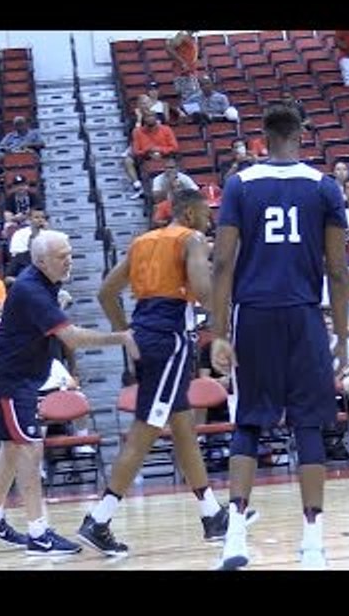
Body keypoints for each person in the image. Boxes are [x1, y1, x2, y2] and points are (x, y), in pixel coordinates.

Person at [210, 104, 349, 570]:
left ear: (262, 137)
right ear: (302, 134)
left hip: (253, 315)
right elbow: (336, 268)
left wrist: (218, 332)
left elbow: (223, 263)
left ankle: (234, 538)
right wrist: (344, 334)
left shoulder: (239, 184)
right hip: (304, 314)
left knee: (248, 422)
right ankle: (312, 543)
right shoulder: (324, 186)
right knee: (308, 424)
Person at [81, 189, 253, 557]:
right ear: (189, 213)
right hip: (170, 338)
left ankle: (212, 516)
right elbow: (206, 294)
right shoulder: (190, 239)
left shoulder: (143, 241)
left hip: (149, 333)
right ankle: (99, 519)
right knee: (145, 431)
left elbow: (106, 292)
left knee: (182, 426)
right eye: (206, 213)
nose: (210, 221)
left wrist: (126, 333)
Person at [0, 230, 139, 556]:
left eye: (70, 253)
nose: (69, 261)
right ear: (40, 261)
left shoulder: (44, 282)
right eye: (62, 256)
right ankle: (39, 534)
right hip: (11, 378)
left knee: (11, 448)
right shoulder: (31, 289)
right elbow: (73, 339)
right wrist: (122, 337)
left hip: (23, 375)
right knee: (29, 450)